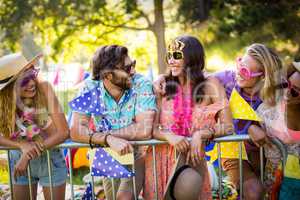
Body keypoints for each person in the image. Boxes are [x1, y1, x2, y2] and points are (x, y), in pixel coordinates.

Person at [153, 43, 283, 199]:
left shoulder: (278, 92)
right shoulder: (225, 79)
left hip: (263, 151)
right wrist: (161, 77)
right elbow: (194, 74)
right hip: (233, 150)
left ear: (263, 76)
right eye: (239, 63)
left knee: (268, 191)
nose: (238, 73)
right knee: (252, 190)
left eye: (245, 71)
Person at [143, 35, 234, 200]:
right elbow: (153, 129)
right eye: (169, 55)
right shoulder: (162, 87)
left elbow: (228, 126)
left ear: (191, 57)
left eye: (177, 55)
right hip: (159, 163)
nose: (171, 60)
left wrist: (202, 134)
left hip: (192, 161)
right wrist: (170, 136)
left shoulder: (210, 85)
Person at [70, 45, 156, 200]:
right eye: (128, 68)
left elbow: (144, 129)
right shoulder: (90, 87)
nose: (133, 71)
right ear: (108, 75)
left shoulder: (141, 83)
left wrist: (106, 136)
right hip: (105, 154)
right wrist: (108, 140)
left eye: (133, 64)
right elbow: (76, 130)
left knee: (124, 197)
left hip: (135, 152)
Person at [0, 53, 69, 200]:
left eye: (32, 74)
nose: (31, 83)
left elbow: (63, 133)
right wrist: (21, 145)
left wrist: (28, 154)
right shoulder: (3, 103)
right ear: (10, 86)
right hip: (18, 161)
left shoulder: (44, 88)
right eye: (24, 81)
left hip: (49, 159)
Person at [255, 60, 300, 199]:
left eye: (295, 91)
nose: (287, 93)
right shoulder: (267, 109)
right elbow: (242, 121)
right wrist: (251, 126)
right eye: (287, 85)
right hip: (274, 183)